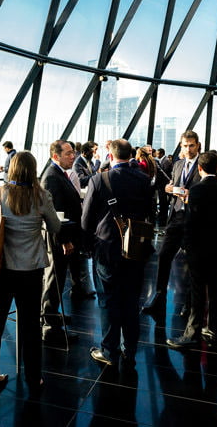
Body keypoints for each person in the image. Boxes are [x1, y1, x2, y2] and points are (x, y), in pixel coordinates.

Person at [0, 151, 60, 398]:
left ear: (11, 169)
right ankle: (33, 378)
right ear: (34, 170)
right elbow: (56, 227)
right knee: (30, 327)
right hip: (30, 271)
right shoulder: (42, 196)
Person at [82, 139, 153, 370]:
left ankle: (109, 350)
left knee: (108, 300)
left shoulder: (98, 180)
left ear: (110, 155)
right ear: (130, 154)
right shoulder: (143, 180)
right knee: (131, 300)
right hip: (135, 250)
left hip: (107, 249)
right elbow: (151, 212)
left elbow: (86, 220)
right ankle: (130, 350)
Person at [167, 152, 217, 348]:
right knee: (215, 290)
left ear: (200, 168)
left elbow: (191, 222)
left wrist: (187, 246)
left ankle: (192, 333)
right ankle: (213, 329)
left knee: (197, 293)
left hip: (199, 249)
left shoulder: (196, 191)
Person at [142, 131, 201, 317]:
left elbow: (206, 191)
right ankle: (159, 298)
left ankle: (190, 303)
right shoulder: (178, 164)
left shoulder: (203, 165)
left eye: (191, 145)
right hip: (175, 217)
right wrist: (169, 188)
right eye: (185, 145)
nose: (188, 149)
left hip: (193, 218)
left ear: (198, 145)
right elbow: (173, 185)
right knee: (164, 256)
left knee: (193, 263)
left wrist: (190, 195)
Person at [40, 140, 82, 344]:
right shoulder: (51, 177)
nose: (72, 156)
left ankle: (51, 316)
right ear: (55, 156)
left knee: (55, 279)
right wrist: (64, 241)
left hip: (62, 237)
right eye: (68, 154)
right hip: (58, 239)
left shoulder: (57, 174)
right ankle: (49, 326)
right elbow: (54, 216)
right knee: (53, 280)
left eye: (73, 153)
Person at [155, 148, 172, 227]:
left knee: (163, 203)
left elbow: (164, 174)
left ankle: (163, 220)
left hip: (164, 185)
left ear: (161, 154)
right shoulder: (163, 160)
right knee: (163, 202)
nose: (157, 155)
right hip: (162, 185)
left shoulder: (166, 161)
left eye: (158, 153)